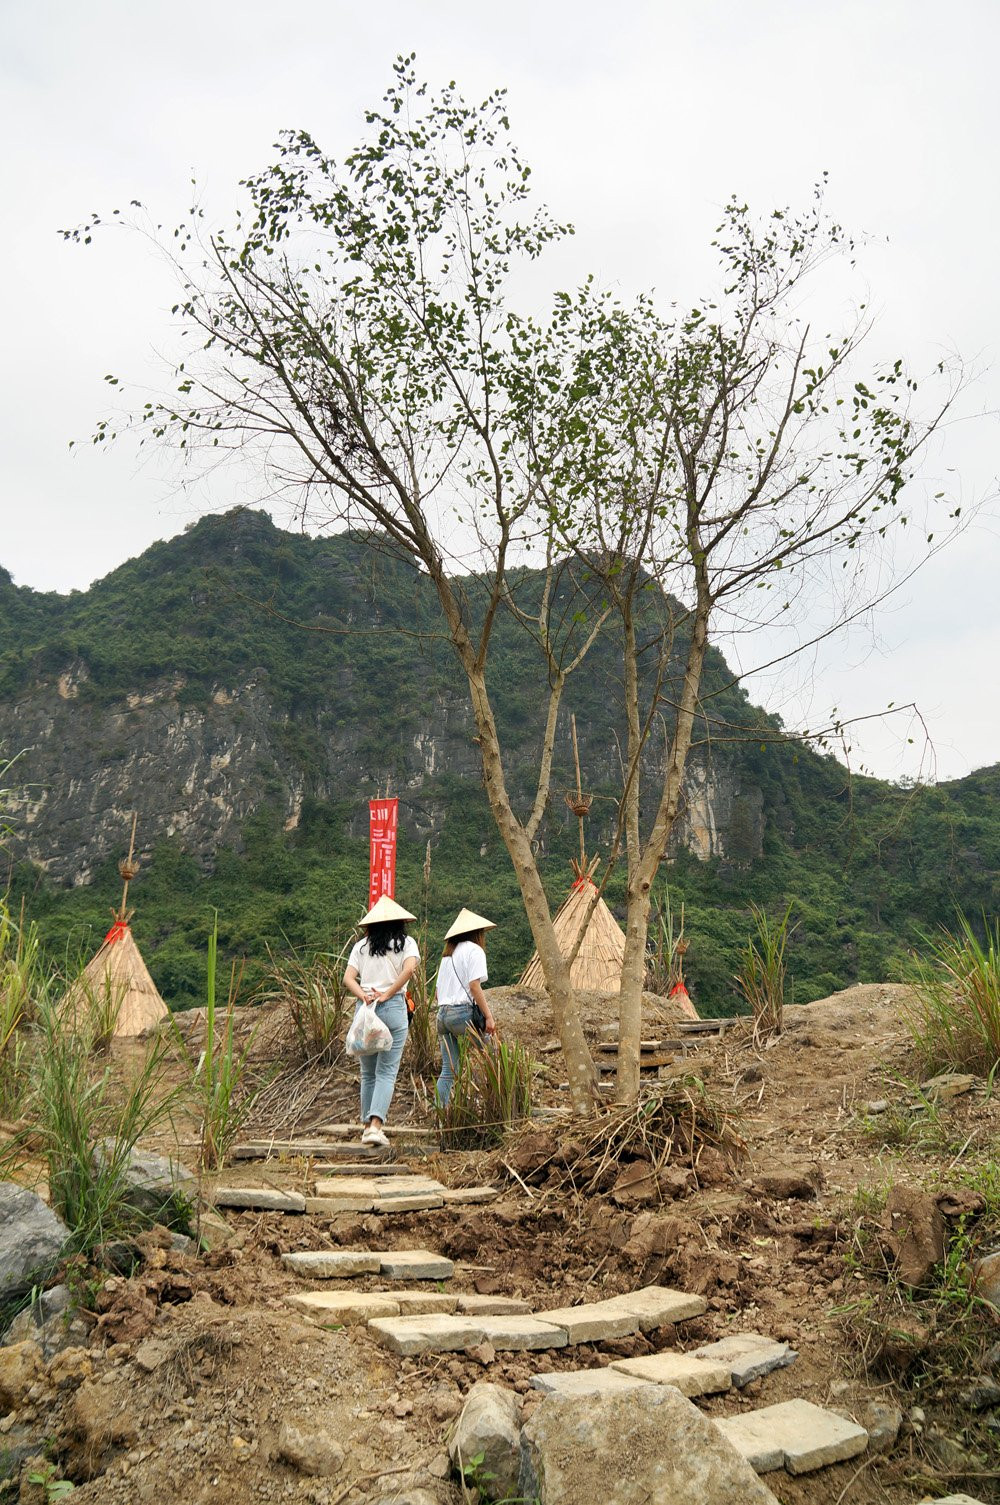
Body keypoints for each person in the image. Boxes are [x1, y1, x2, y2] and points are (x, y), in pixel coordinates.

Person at [343, 894, 419, 1147]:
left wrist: (363, 995)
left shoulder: (361, 947)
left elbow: (348, 978)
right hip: (393, 1007)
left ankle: (367, 1127)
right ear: (400, 922)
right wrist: (388, 993)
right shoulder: (407, 944)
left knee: (368, 1073)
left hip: (366, 1010)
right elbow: (409, 969)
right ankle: (376, 1126)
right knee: (386, 1071)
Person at [435, 907, 498, 1107]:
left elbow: (437, 993)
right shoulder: (475, 951)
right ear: (477, 933)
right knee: (493, 1057)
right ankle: (493, 1103)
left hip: (442, 1016)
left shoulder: (447, 956)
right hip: (462, 1015)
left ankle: (440, 1114)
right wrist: (488, 1016)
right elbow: (474, 986)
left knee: (448, 1070)